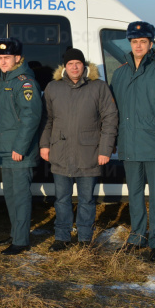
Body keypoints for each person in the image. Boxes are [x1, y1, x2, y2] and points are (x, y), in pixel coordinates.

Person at [110, 21, 155, 262]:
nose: (138, 46)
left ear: (150, 44)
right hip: (129, 144)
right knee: (134, 194)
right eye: (134, 42)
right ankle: (137, 236)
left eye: (143, 42)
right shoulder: (120, 73)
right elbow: (112, 111)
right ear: (129, 44)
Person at [40, 48, 118, 251]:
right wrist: (44, 145)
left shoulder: (99, 87)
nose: (74, 67)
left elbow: (110, 119)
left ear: (84, 66)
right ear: (64, 67)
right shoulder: (52, 88)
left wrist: (105, 150)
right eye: (70, 64)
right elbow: (46, 120)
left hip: (89, 154)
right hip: (60, 153)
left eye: (78, 63)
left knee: (87, 200)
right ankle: (62, 237)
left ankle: (85, 238)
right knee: (62, 200)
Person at [0, 37, 43, 256]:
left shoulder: (24, 82)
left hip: (19, 151)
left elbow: (31, 117)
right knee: (10, 195)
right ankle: (16, 233)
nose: (3, 62)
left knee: (20, 196)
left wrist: (20, 148)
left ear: (18, 58)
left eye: (7, 58)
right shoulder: (3, 81)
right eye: (1, 58)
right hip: (5, 149)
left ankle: (21, 241)